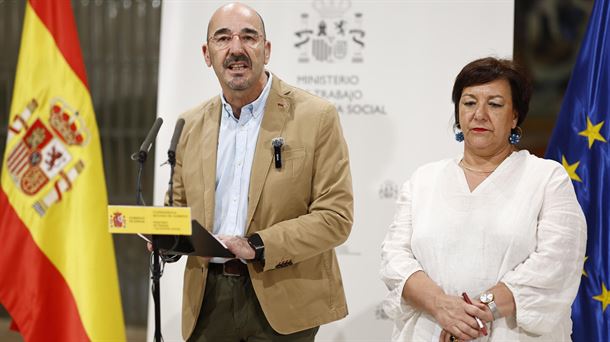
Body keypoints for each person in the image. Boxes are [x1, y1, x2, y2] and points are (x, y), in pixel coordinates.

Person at [167, 3, 353, 341]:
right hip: (207, 300)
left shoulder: (316, 117)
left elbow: (335, 217)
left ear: (266, 50)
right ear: (207, 54)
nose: (236, 49)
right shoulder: (189, 124)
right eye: (223, 38)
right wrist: (167, 238)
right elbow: (178, 208)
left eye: (248, 37)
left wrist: (257, 245)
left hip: (285, 298)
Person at [380, 57, 586, 341]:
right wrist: (442, 306)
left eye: (495, 104)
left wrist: (474, 314)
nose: (479, 114)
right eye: (469, 103)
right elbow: (395, 258)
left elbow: (556, 263)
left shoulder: (547, 178)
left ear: (515, 116)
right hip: (430, 330)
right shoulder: (423, 180)